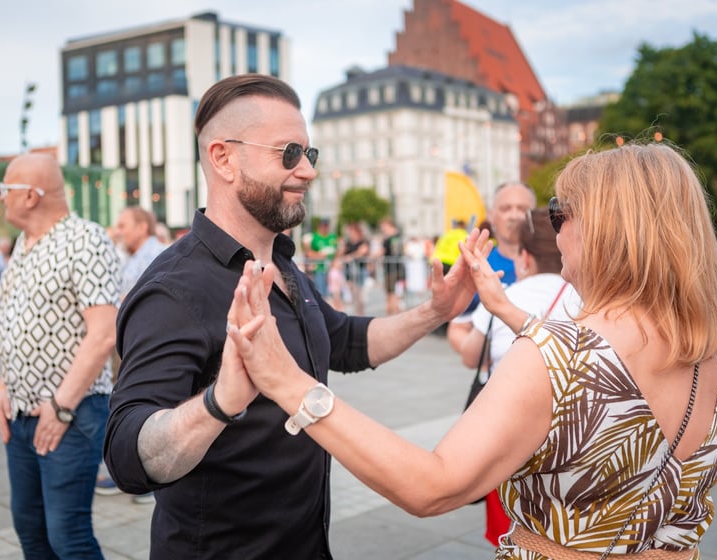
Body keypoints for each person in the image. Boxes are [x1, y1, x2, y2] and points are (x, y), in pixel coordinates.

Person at [228, 142, 717, 559]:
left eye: (558, 212)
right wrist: (507, 310)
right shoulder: (703, 353)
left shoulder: (555, 357)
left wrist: (289, 383)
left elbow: (434, 486)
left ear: (607, 228)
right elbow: (605, 371)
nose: (550, 228)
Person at [103, 74, 482, 559]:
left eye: (310, 154)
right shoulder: (174, 289)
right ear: (223, 158)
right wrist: (220, 402)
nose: (306, 171)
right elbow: (127, 455)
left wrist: (435, 312)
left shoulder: (281, 263)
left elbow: (346, 341)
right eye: (288, 153)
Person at [0, 153, 120, 559]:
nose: (0, 199)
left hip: (71, 413)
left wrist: (61, 406)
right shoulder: (23, 244)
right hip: (21, 413)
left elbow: (103, 333)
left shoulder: (85, 239)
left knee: (68, 536)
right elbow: (15, 318)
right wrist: (3, 383)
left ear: (30, 196)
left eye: (5, 190)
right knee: (30, 528)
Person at [452, 207, 581, 546]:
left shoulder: (504, 296)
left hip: (506, 439)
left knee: (510, 537)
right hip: (568, 441)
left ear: (524, 257)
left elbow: (469, 354)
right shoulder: (585, 299)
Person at [95, 206, 166, 502]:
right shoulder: (133, 255)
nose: (118, 229)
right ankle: (129, 471)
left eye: (123, 224)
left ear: (142, 227)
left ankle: (150, 478)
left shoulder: (155, 255)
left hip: (149, 347)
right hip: (133, 343)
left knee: (146, 408)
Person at [446, 182, 536, 342]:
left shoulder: (557, 263)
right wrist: (483, 355)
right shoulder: (478, 266)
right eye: (505, 208)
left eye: (522, 209)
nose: (514, 215)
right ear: (491, 215)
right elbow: (458, 328)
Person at [303, 217, 338, 297]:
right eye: (323, 226)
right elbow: (308, 253)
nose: (325, 228)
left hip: (331, 269)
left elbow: (337, 251)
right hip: (319, 269)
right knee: (320, 292)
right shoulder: (314, 237)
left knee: (333, 293)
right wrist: (320, 256)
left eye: (326, 226)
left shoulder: (332, 237)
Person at [341, 221, 370, 314]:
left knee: (360, 294)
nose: (350, 234)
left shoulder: (363, 241)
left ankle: (361, 313)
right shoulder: (348, 242)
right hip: (350, 270)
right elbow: (342, 253)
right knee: (353, 293)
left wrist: (351, 257)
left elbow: (362, 252)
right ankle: (357, 313)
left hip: (360, 270)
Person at [378, 216, 405, 315]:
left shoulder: (391, 237)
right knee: (394, 292)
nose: (382, 229)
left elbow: (391, 251)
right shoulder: (397, 235)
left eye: (383, 226)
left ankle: (393, 312)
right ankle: (393, 311)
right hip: (394, 266)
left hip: (392, 268)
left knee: (392, 293)